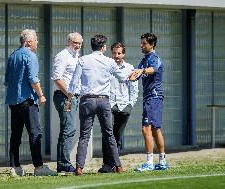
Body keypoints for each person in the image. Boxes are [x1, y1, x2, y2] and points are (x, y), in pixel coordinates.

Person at [66, 34, 132, 176]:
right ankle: (118, 166)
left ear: (91, 46)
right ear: (103, 47)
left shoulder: (82, 60)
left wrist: (69, 100)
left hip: (87, 100)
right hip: (103, 100)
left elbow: (73, 84)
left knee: (84, 135)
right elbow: (122, 78)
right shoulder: (110, 62)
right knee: (109, 135)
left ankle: (79, 168)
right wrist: (136, 74)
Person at [5, 29, 56, 176]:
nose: (37, 42)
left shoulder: (13, 55)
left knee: (16, 134)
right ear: (28, 42)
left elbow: (7, 80)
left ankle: (15, 167)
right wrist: (41, 95)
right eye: (35, 40)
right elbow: (33, 79)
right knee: (35, 133)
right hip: (27, 99)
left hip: (13, 101)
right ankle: (39, 167)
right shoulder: (31, 56)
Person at [130, 33, 168, 171]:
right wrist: (131, 75)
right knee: (155, 129)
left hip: (154, 97)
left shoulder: (154, 58)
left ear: (151, 45)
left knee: (146, 129)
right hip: (149, 98)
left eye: (144, 43)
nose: (141, 45)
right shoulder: (144, 60)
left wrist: (142, 70)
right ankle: (162, 161)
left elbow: (154, 69)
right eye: (141, 43)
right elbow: (135, 74)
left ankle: (149, 163)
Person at [99, 42, 139, 173]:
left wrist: (130, 104)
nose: (116, 56)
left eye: (119, 53)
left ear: (124, 54)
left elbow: (134, 89)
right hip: (109, 105)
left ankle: (113, 163)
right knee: (107, 134)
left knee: (117, 136)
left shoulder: (129, 68)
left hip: (124, 106)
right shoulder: (106, 67)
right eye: (114, 53)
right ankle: (107, 165)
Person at [51, 32, 83, 174]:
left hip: (72, 97)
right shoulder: (63, 55)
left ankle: (62, 164)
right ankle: (64, 163)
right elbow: (57, 78)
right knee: (69, 129)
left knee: (68, 128)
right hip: (65, 97)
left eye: (79, 43)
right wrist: (70, 96)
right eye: (75, 43)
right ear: (69, 42)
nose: (77, 45)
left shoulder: (76, 56)